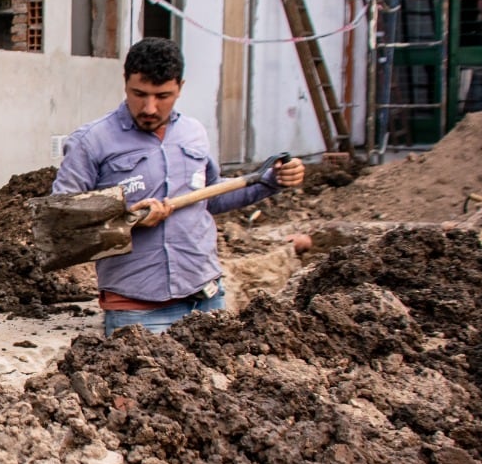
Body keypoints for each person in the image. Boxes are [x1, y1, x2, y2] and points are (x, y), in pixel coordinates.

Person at [52, 37, 306, 336]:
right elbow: (61, 224)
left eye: (163, 96)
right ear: (125, 83)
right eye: (139, 94)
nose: (149, 107)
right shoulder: (92, 141)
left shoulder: (193, 133)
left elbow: (211, 197)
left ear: (180, 88)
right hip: (138, 312)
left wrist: (271, 181)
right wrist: (128, 219)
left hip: (207, 298)